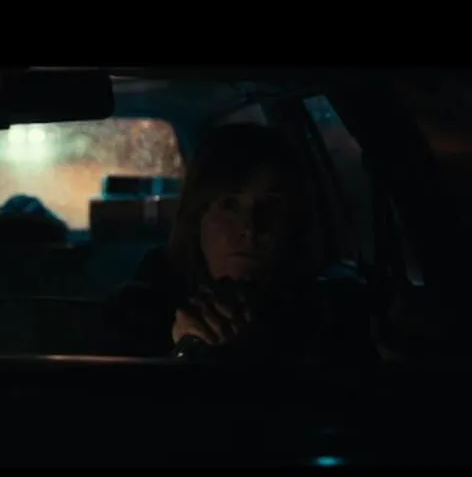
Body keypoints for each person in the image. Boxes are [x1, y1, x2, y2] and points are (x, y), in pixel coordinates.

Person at [110, 122, 375, 363]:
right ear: (198, 217)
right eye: (229, 205)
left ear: (294, 219)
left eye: (271, 205)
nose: (250, 227)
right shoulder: (142, 310)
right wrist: (183, 348)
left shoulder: (331, 315)